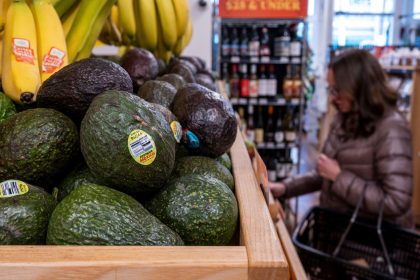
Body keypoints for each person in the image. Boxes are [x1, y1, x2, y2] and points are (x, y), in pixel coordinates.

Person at [270, 49, 414, 228]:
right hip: (339, 233)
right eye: (331, 90)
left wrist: (339, 176)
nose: (332, 98)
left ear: (358, 87)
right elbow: (325, 172)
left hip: (371, 245)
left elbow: (396, 201)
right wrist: (286, 188)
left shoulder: (391, 128)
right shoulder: (344, 118)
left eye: (337, 90)